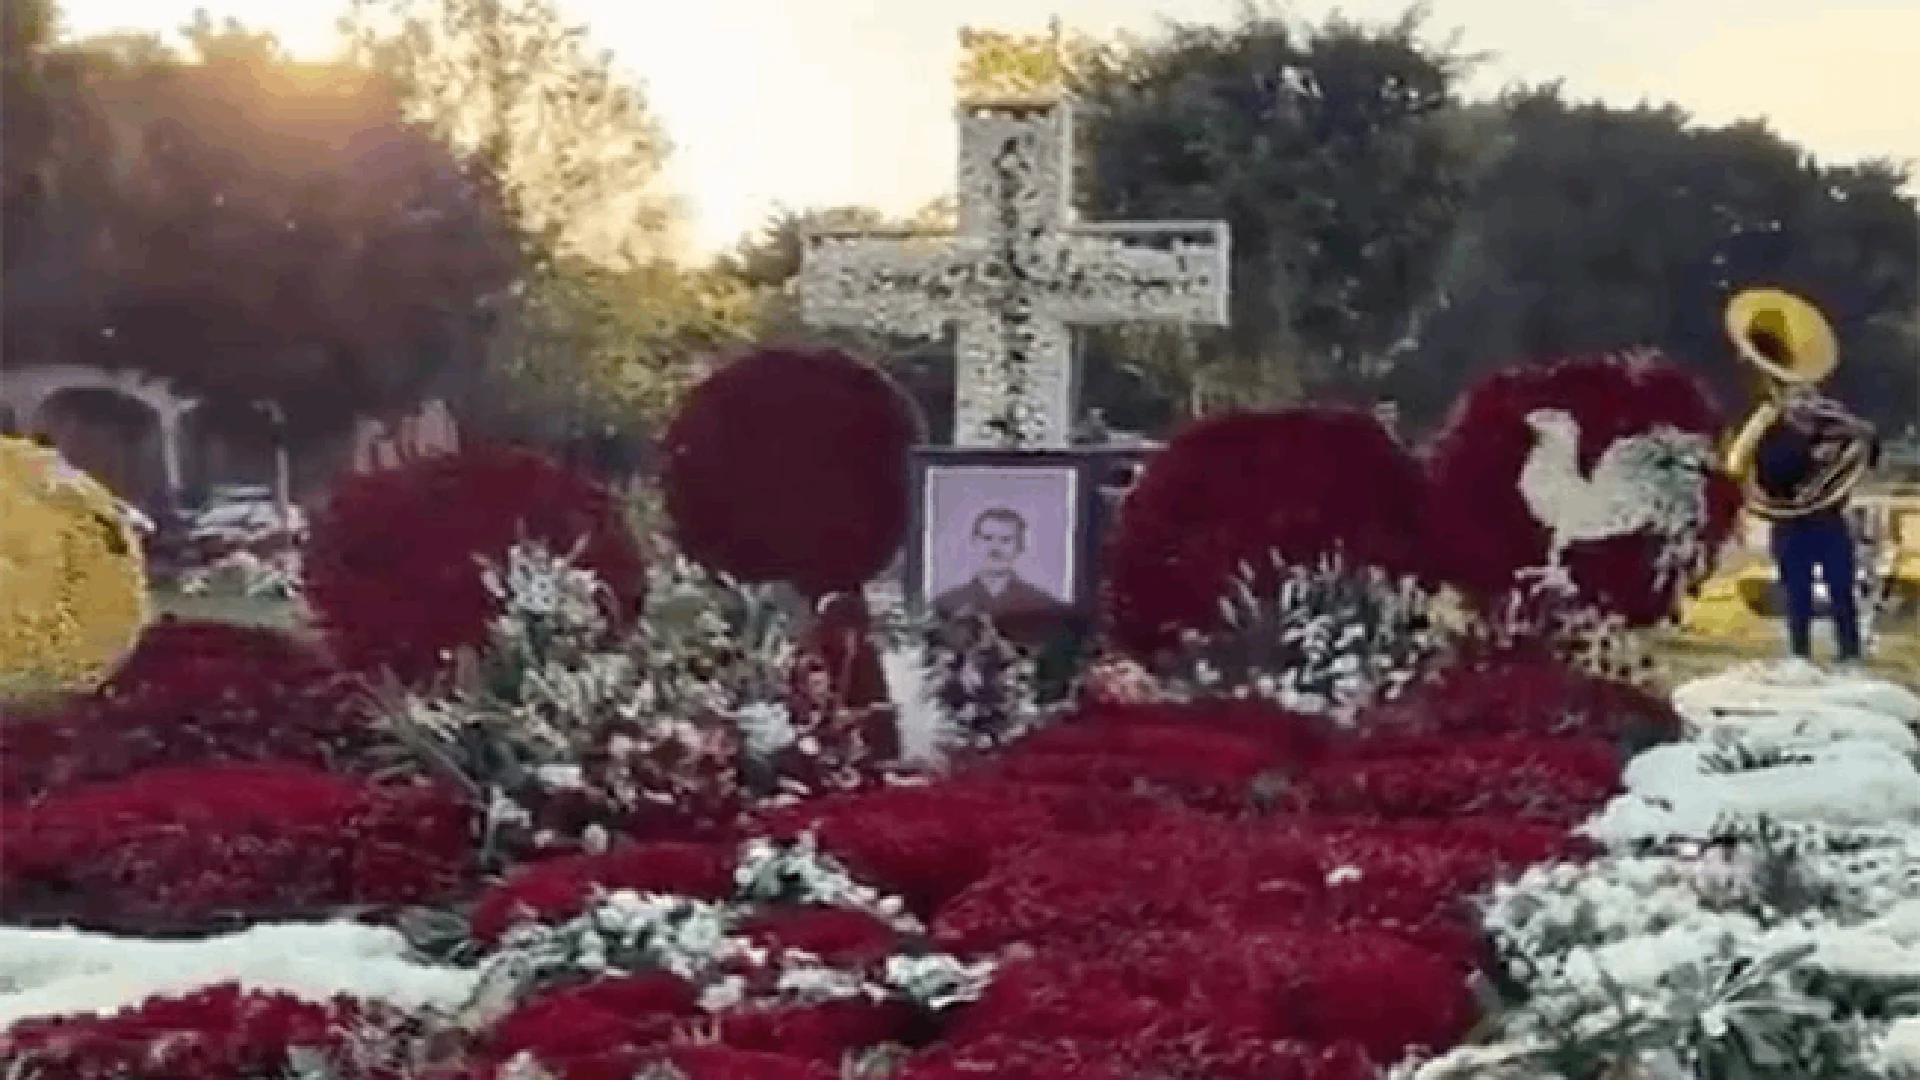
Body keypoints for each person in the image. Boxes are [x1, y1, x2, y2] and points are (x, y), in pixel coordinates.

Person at [1751, 378, 1880, 665]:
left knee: (1842, 591)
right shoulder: (1772, 435)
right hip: (1790, 524)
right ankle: (1800, 657)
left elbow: (1868, 455)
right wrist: (1808, 452)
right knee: (1798, 595)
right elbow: (1770, 475)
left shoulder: (1835, 431)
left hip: (1829, 521)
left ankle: (1849, 655)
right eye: (1796, 399)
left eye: (1810, 398)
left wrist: (1864, 434)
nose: (1805, 405)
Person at [932, 506, 1071, 625]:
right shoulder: (944, 605)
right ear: (974, 542)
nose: (995, 548)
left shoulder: (1045, 606)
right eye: (987, 538)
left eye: (1005, 540)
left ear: (1020, 546)